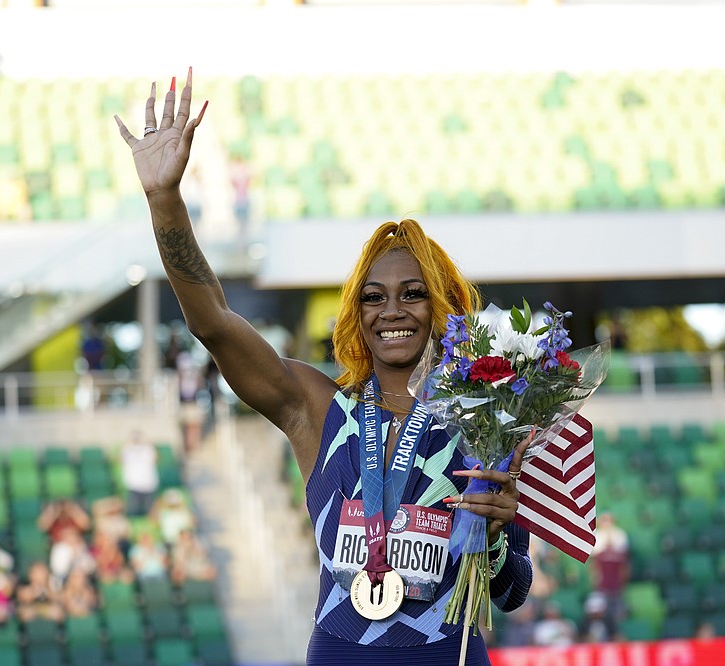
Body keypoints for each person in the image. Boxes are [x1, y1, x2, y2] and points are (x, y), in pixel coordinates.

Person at [115, 71, 532, 663]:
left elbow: (512, 592)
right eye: (373, 296)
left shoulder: (485, 418)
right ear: (354, 314)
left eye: (412, 294)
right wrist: (165, 200)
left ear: (441, 306)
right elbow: (212, 321)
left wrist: (493, 539)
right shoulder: (315, 406)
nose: (392, 310)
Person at [588, 512, 629, 624]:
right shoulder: (598, 535)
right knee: (602, 605)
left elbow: (623, 558)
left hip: (616, 576)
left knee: (618, 606)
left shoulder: (620, 534)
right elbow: (594, 558)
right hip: (603, 576)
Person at [119, 431, 160, 516]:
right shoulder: (127, 449)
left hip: (148, 485)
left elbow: (157, 458)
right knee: (133, 512)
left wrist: (148, 442)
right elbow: (120, 459)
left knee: (149, 512)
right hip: (133, 485)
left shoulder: (147, 449)